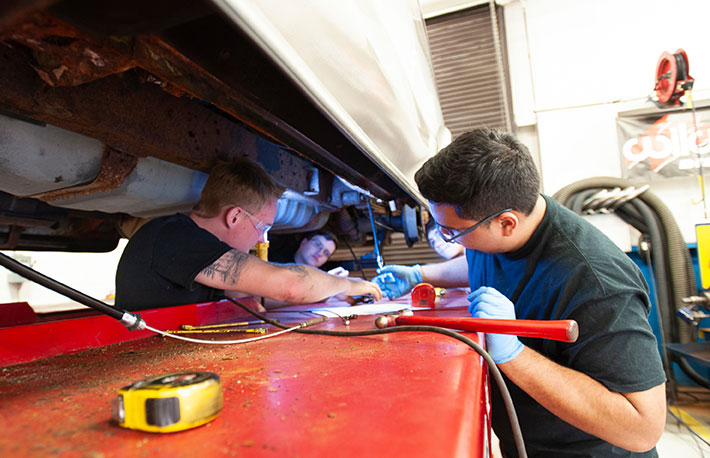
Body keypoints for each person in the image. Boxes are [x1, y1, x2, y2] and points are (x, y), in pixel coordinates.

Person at [373, 128, 665, 457]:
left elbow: (643, 428)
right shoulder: (497, 226)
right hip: (525, 443)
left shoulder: (596, 281)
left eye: (452, 231)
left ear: (506, 223)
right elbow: (479, 260)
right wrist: (419, 274)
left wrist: (514, 354)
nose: (448, 239)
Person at [115, 157, 381, 311]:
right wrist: (350, 284)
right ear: (234, 216)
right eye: (262, 227)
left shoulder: (195, 246)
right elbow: (290, 285)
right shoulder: (175, 238)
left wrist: (327, 292)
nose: (261, 239)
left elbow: (254, 297)